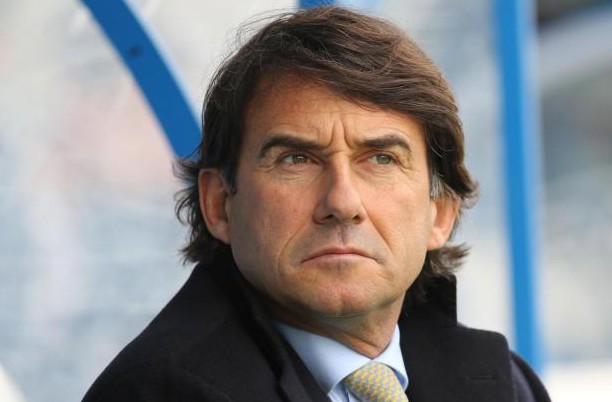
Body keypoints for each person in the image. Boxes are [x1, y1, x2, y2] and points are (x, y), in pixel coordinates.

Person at [82, 6, 550, 402]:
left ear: (440, 214)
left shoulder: (509, 385)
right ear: (220, 204)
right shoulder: (159, 392)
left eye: (381, 159)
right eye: (296, 159)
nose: (342, 202)